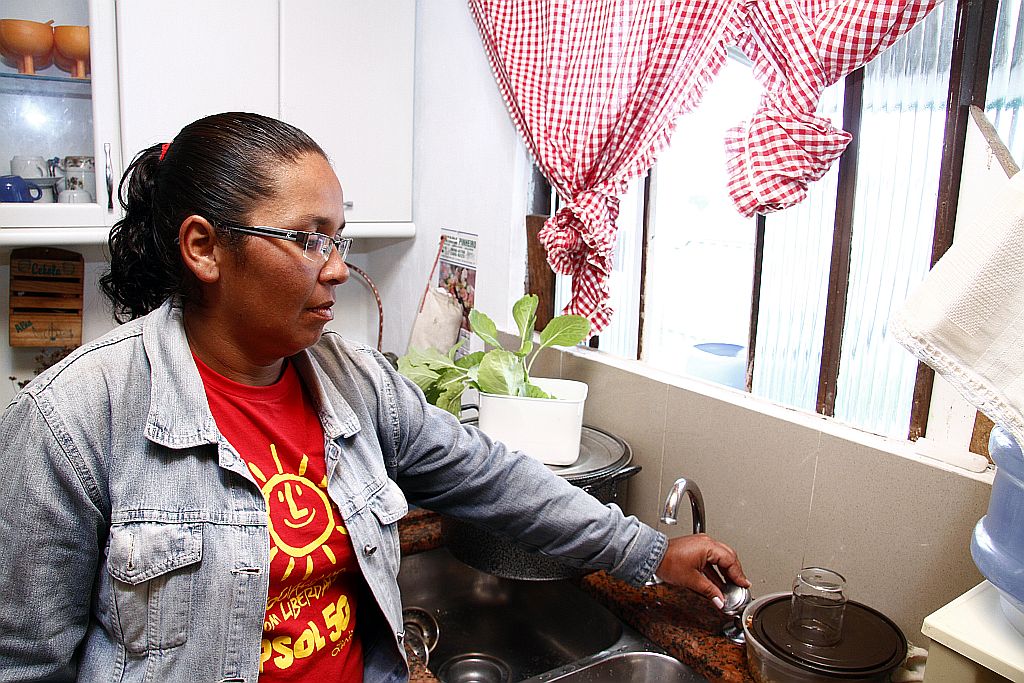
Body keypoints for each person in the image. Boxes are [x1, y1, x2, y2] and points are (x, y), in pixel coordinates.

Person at [0, 112, 748, 682]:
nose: (337, 269)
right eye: (308, 238)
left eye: (341, 237)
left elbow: (489, 476)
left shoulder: (353, 382)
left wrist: (648, 551)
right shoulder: (72, 419)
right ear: (204, 248)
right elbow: (27, 663)